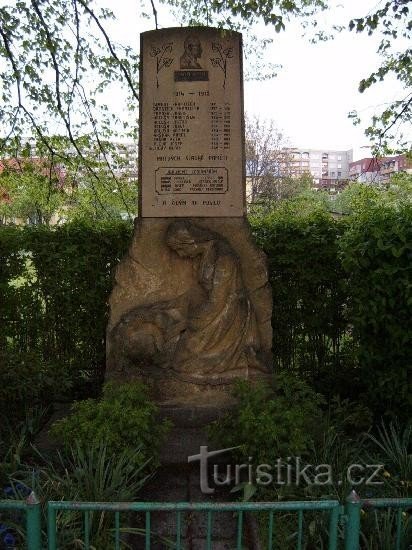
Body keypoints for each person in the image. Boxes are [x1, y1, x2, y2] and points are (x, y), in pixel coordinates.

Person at [165, 220, 265, 384]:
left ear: (191, 241)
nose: (181, 255)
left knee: (185, 361)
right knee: (181, 357)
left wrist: (188, 323)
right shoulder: (208, 253)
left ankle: (237, 368)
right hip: (215, 313)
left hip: (228, 315)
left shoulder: (224, 258)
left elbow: (218, 302)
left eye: (180, 249)